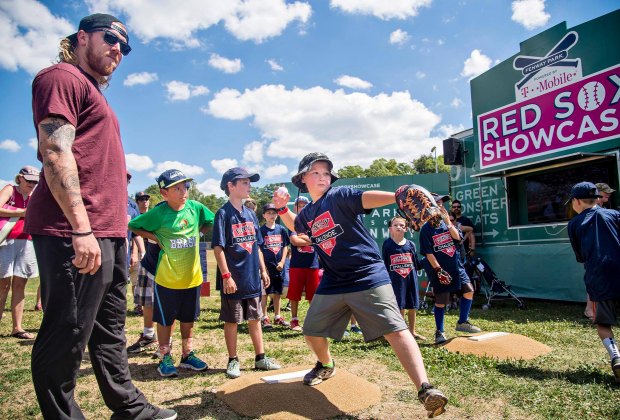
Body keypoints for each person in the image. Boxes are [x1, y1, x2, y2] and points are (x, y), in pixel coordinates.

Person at [26, 13, 176, 418]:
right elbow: (56, 152)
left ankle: (128, 407)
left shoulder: (93, 92)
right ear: (81, 37)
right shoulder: (61, 78)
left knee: (110, 330)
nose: (118, 50)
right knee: (67, 332)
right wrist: (82, 229)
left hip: (106, 231)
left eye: (124, 47)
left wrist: (120, 235)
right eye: (110, 39)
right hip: (72, 230)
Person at [273, 153, 448, 418]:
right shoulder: (308, 212)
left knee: (396, 330)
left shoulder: (339, 195)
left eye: (326, 172)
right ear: (302, 180)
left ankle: (426, 389)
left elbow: (366, 197)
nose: (323, 176)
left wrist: (396, 195)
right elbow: (297, 227)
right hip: (334, 280)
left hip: (367, 274)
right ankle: (326, 364)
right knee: (311, 331)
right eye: (315, 172)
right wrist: (283, 209)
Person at [128, 169, 214, 378]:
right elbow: (133, 225)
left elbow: (210, 221)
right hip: (167, 279)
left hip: (192, 277)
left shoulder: (195, 208)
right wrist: (156, 237)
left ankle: (187, 355)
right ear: (164, 193)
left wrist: (198, 232)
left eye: (185, 186)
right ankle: (165, 357)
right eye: (177, 188)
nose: (183, 191)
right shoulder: (159, 212)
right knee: (165, 320)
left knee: (188, 319)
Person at [212, 167, 281, 379]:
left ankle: (260, 358)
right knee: (232, 320)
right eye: (244, 182)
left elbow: (257, 246)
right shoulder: (223, 214)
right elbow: (218, 248)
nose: (249, 185)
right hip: (233, 278)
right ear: (230, 186)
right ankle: (233, 360)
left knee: (255, 318)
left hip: (252, 277)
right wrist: (226, 275)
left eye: (249, 182)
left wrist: (262, 269)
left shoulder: (251, 213)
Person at [566, 182, 620, 383]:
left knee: (603, 323)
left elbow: (581, 257)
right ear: (597, 198)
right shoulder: (614, 215)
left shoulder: (573, 224)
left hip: (599, 276)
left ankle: (615, 354)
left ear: (577, 201)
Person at [420, 203, 481, 345]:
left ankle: (462, 322)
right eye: (434, 211)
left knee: (469, 291)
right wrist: (438, 270)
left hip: (456, 266)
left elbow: (458, 238)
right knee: (441, 301)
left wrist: (448, 223)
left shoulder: (446, 224)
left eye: (439, 211)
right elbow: (428, 253)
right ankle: (439, 331)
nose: (437, 213)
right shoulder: (426, 230)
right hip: (441, 269)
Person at [0, 166, 40, 339]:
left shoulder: (35, 196)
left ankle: (17, 327)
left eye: (35, 181)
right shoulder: (10, 189)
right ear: (20, 178)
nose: (32, 184)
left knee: (20, 284)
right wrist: (21, 212)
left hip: (27, 240)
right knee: (2, 284)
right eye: (29, 180)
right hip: (7, 240)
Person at [127, 191, 160, 356]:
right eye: (141, 199)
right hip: (147, 261)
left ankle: (163, 342)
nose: (144, 201)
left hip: (163, 264)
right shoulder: (140, 214)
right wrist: (137, 252)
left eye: (146, 198)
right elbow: (133, 228)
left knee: (162, 302)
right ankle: (148, 335)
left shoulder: (158, 212)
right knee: (147, 300)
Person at [382, 216, 426, 340]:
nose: (399, 227)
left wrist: (427, 260)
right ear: (390, 229)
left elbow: (416, 264)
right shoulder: (388, 244)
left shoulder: (410, 244)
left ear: (406, 229)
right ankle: (401, 333)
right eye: (395, 225)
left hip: (410, 279)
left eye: (402, 225)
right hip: (396, 280)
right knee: (399, 306)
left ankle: (412, 332)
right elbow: (385, 264)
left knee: (412, 306)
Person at [287, 196, 321, 332]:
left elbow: (320, 238)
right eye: (299, 205)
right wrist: (312, 239)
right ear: (295, 208)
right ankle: (294, 320)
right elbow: (295, 241)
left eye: (304, 205)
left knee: (313, 295)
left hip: (312, 264)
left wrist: (307, 239)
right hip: (296, 265)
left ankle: (312, 320)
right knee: (294, 294)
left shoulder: (315, 223)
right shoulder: (293, 223)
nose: (302, 208)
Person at [259, 203, 290, 327]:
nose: (272, 215)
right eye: (269, 213)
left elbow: (285, 247)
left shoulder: (281, 229)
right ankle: (264, 317)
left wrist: (282, 262)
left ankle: (277, 316)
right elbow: (259, 249)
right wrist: (263, 268)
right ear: (264, 215)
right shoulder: (261, 230)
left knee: (277, 292)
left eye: (274, 213)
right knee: (264, 293)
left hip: (279, 267)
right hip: (266, 267)